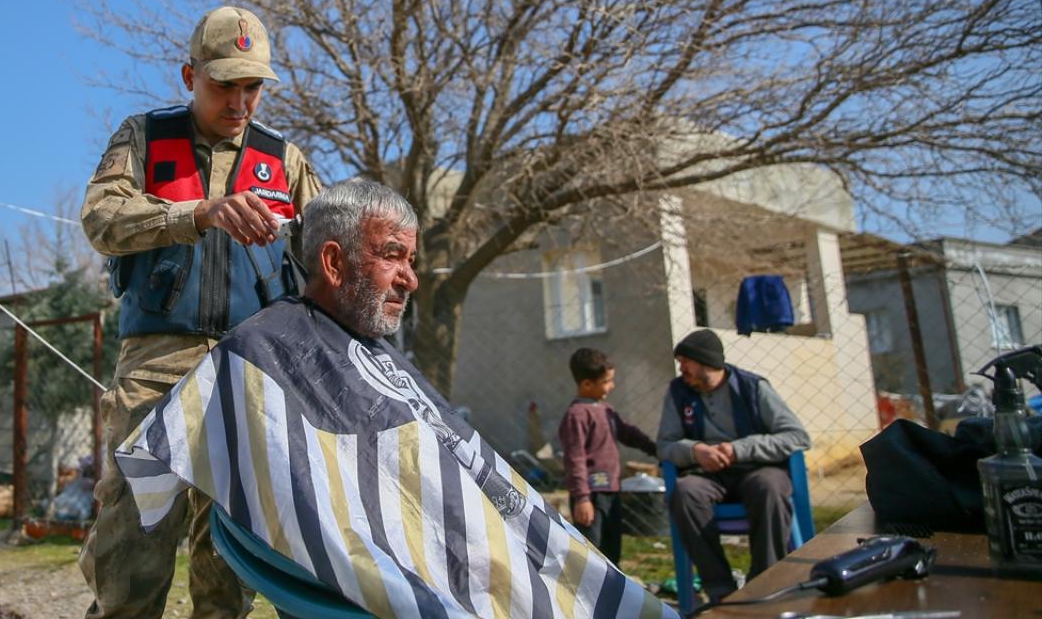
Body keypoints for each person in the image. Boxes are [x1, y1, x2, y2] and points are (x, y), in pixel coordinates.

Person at [111, 179, 673, 619]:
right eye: (393, 255)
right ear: (332, 262)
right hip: (411, 572)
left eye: (412, 261)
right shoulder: (261, 347)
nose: (411, 279)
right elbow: (181, 460)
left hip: (474, 548)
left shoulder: (377, 356)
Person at [79, 5, 321, 619]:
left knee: (231, 554)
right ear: (190, 77)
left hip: (251, 369)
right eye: (224, 86)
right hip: (157, 365)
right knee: (134, 538)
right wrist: (197, 214)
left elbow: (326, 256)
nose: (240, 102)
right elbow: (100, 220)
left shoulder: (285, 161)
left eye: (253, 87)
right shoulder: (142, 137)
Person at [656, 328, 811, 604]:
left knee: (769, 487)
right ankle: (721, 591)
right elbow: (665, 444)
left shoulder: (753, 387)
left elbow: (797, 436)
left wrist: (740, 449)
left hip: (757, 469)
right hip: (708, 475)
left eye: (685, 362)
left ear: (705, 362)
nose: (681, 369)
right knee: (686, 492)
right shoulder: (678, 392)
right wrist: (694, 451)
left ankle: (764, 584)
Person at [557, 347, 657, 565]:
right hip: (591, 495)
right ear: (586, 384)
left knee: (612, 550)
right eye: (606, 381)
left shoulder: (606, 410)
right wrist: (582, 498)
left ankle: (613, 594)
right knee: (593, 551)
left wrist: (655, 449)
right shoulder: (577, 416)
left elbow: (627, 433)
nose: (611, 386)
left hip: (611, 491)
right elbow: (575, 459)